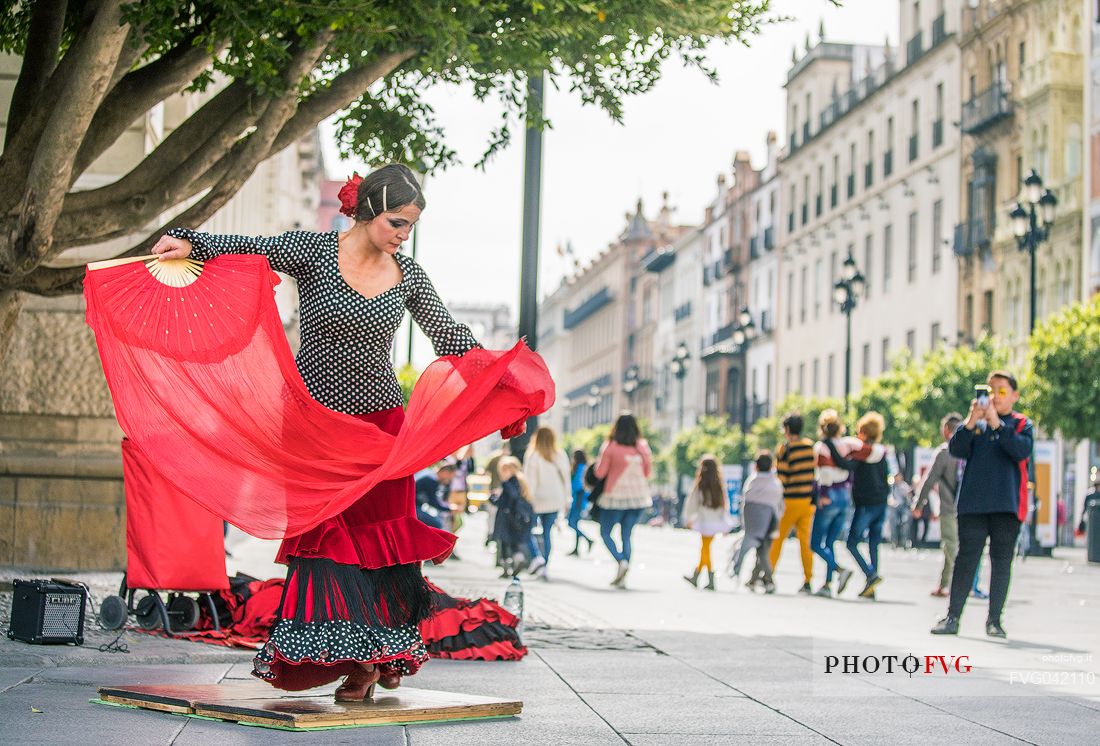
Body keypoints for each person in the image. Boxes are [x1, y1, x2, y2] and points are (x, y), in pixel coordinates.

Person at [152, 164, 490, 700]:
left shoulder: (409, 275)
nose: (404, 235)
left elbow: (450, 335)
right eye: (398, 222)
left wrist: (497, 377)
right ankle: (351, 658)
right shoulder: (314, 251)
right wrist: (189, 240)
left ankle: (376, 656)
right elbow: (249, 246)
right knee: (327, 547)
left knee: (381, 547)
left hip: (381, 434)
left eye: (411, 227)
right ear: (370, 208)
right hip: (315, 430)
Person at [933, 371, 1033, 639]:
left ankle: (994, 620)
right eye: (991, 391)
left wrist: (997, 424)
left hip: (1007, 505)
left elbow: (1021, 450)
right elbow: (956, 449)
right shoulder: (974, 425)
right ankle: (952, 617)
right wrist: (970, 421)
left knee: (1001, 562)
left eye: (1001, 391)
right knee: (966, 559)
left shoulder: (1022, 424)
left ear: (1014, 395)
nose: (995, 396)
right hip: (973, 504)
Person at [824, 412, 891, 599]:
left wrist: (829, 444)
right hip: (881, 503)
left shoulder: (863, 453)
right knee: (873, 544)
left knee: (852, 542)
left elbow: (845, 465)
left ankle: (871, 574)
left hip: (866, 504)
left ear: (862, 431)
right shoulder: (880, 452)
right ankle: (872, 585)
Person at [594, 414, 653, 588]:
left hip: (615, 497)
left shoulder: (610, 447)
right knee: (626, 535)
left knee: (605, 533)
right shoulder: (642, 447)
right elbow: (648, 472)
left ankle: (621, 561)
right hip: (639, 498)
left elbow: (600, 473)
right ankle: (624, 570)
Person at [914, 413, 963, 597]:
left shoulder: (944, 452)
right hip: (969, 509)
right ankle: (952, 584)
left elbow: (929, 480)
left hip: (949, 508)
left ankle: (951, 585)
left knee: (950, 546)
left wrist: (918, 504)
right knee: (964, 547)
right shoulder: (970, 451)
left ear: (946, 430)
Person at [810, 410, 858, 597]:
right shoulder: (847, 445)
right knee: (830, 541)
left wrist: (822, 494)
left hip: (828, 493)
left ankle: (838, 570)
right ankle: (828, 583)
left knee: (815, 543)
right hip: (844, 494)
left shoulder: (821, 447)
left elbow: (823, 473)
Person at [769, 413, 817, 593]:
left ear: (787, 430)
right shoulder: (810, 447)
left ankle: (769, 573)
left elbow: (781, 478)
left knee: (778, 538)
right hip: (807, 501)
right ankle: (808, 579)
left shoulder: (784, 449)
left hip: (789, 501)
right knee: (805, 542)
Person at [523, 426, 572, 580]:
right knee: (547, 533)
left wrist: (527, 498)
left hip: (537, 498)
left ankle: (537, 557)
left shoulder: (533, 455)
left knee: (527, 530)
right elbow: (566, 479)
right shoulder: (560, 454)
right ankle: (545, 566)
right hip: (555, 499)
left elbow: (529, 480)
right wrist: (566, 499)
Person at [731, 451, 784, 593]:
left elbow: (745, 506)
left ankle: (755, 579)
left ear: (756, 466)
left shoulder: (751, 482)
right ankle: (767, 580)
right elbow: (780, 507)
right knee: (763, 552)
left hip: (753, 526)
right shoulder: (776, 484)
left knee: (759, 551)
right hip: (770, 525)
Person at [682, 455, 732, 591]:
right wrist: (725, 522)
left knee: (705, 549)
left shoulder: (700, 485)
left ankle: (707, 578)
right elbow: (724, 505)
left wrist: (688, 518)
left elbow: (692, 503)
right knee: (705, 548)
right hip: (715, 522)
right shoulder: (719, 485)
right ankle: (697, 576)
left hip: (704, 522)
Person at [494, 456, 535, 578]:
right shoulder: (521, 482)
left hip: (507, 519)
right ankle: (519, 558)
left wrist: (493, 499)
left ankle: (507, 569)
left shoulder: (507, 484)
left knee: (505, 544)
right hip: (517, 519)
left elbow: (504, 502)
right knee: (514, 544)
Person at [567, 450, 595, 555]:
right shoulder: (581, 467)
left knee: (571, 522)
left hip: (579, 498)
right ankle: (576, 548)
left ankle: (588, 540)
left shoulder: (581, 468)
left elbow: (579, 485)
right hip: (577, 498)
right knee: (575, 523)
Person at [415, 462, 456, 530]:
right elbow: (433, 502)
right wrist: (449, 509)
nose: (450, 480)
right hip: (412, 508)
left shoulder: (432, 478)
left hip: (416, 507)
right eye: (450, 476)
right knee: (437, 524)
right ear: (445, 472)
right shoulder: (432, 480)